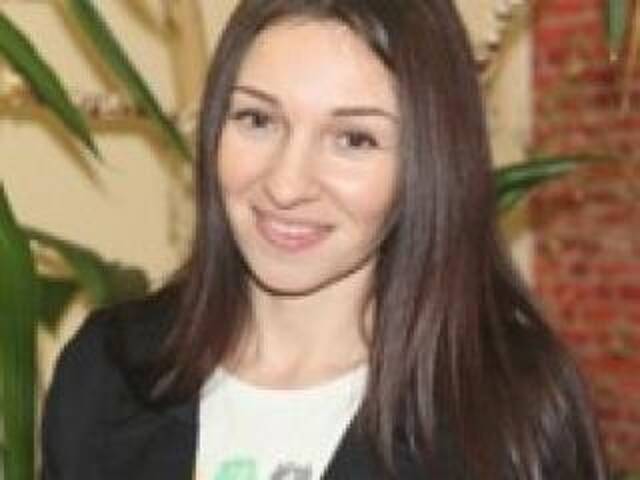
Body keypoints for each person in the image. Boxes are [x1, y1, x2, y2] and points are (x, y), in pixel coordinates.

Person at [41, 0, 609, 479]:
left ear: (429, 162)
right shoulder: (107, 372)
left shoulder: (508, 418)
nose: (286, 185)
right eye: (258, 120)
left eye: (353, 139)